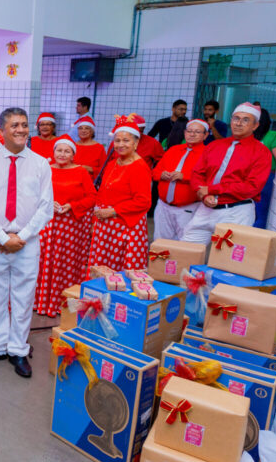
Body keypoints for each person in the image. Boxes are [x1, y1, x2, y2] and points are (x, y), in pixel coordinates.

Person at [0, 108, 53, 378]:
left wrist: (21, 238)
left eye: (25, 125)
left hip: (27, 241)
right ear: (2, 130)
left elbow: (45, 208)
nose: (21, 130)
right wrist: (3, 238)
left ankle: (18, 350)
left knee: (23, 296)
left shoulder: (41, 164)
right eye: (15, 125)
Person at [182, 103, 272, 244]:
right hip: (206, 207)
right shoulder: (215, 145)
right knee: (186, 249)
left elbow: (251, 187)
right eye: (236, 118)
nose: (239, 123)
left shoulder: (261, 152)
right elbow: (197, 173)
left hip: (236, 212)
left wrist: (211, 189)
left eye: (245, 120)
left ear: (255, 125)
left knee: (227, 260)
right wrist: (205, 194)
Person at [35, 138, 95, 318]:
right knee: (42, 261)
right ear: (53, 152)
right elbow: (32, 193)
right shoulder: (44, 169)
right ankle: (40, 301)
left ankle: (64, 303)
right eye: (59, 150)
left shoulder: (81, 172)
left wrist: (72, 206)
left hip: (70, 226)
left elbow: (92, 197)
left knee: (66, 263)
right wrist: (46, 203)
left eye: (66, 151)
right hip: (46, 224)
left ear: (73, 155)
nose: (62, 154)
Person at [87, 115, 151, 271]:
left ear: (136, 143)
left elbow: (143, 201)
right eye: (117, 141)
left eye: (126, 140)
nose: (120, 144)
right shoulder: (112, 164)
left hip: (125, 228)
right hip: (105, 226)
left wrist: (113, 211)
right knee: (101, 270)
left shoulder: (139, 167)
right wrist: (95, 220)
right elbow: (102, 193)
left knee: (119, 274)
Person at [152, 119, 207, 240]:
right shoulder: (173, 150)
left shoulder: (208, 154)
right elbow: (154, 172)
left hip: (188, 208)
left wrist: (185, 177)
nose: (192, 134)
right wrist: (161, 175)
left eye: (197, 132)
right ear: (185, 132)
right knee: (160, 242)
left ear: (205, 135)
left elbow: (209, 180)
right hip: (163, 206)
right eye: (189, 131)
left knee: (183, 244)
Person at [256, 110, 276, 228]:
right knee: (263, 212)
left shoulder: (249, 136)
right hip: (267, 178)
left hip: (250, 177)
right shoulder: (274, 135)